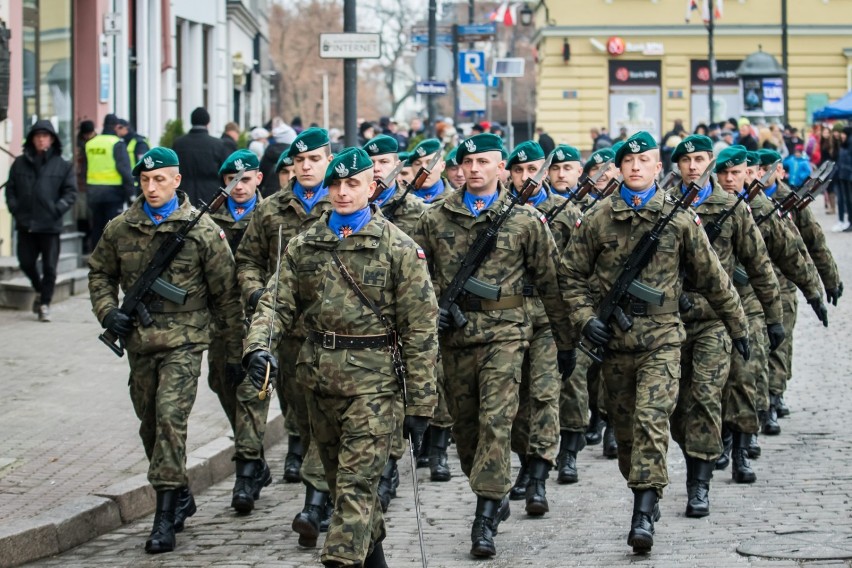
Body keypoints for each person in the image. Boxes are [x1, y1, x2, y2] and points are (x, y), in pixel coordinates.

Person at [243, 147, 437, 568]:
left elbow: (421, 329)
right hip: (319, 383)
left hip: (375, 387)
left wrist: (421, 403)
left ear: (372, 188)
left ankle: (341, 559)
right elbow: (275, 303)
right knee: (342, 485)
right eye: (336, 185)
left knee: (354, 489)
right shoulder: (305, 244)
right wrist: (259, 346)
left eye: (353, 184)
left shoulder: (399, 249)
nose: (343, 193)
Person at [561, 131, 748, 553]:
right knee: (626, 432)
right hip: (615, 345)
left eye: (645, 161)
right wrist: (584, 318)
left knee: (651, 418)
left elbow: (715, 280)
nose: (637, 167)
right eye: (629, 162)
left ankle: (643, 513)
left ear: (657, 167)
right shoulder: (598, 217)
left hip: (663, 339)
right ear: (619, 168)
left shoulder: (679, 220)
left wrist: (739, 327)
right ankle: (643, 490)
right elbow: (568, 276)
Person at [414, 133, 574, 558]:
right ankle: (492, 487)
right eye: (469, 162)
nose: (476, 168)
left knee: (496, 421)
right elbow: (415, 279)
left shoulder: (523, 220)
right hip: (455, 338)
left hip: (507, 335)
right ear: (460, 169)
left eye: (485, 161)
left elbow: (552, 284)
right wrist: (434, 309)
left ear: (500, 168)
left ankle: (484, 517)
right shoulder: (434, 219)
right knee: (466, 431)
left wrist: (565, 340)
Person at [88, 147, 243, 553]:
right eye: (145, 180)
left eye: (160, 180)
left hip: (187, 340)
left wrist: (233, 353)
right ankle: (181, 494)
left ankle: (164, 515)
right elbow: (100, 272)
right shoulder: (121, 228)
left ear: (177, 181)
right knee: (149, 422)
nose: (151, 187)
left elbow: (226, 295)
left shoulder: (202, 230)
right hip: (141, 339)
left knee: (171, 419)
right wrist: (108, 313)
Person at [667, 137, 781, 515]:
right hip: (669, 322)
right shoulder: (662, 208)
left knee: (706, 395)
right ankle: (698, 455)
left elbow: (760, 264)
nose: (693, 166)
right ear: (677, 166)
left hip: (718, 318)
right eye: (686, 160)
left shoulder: (732, 207)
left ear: (710, 163)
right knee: (678, 410)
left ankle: (699, 485)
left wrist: (774, 318)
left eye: (700, 159)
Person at [235, 127, 335, 545]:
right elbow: (247, 260)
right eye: (300, 161)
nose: (306, 167)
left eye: (314, 159)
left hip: (333, 337)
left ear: (328, 160)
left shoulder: (343, 202)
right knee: (301, 419)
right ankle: (322, 490)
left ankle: (315, 502)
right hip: (287, 335)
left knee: (324, 418)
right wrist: (257, 292)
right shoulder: (272, 211)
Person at [716, 147, 823, 463]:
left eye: (743, 172)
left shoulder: (763, 209)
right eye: (728, 173)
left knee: (750, 371)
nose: (735, 179)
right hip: (714, 306)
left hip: (755, 302)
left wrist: (817, 290)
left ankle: (747, 435)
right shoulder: (705, 209)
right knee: (718, 379)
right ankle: (722, 435)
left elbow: (796, 253)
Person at [504, 141, 581, 511]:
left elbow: (578, 273)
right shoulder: (499, 213)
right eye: (518, 170)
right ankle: (524, 462)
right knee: (516, 401)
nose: (525, 177)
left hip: (551, 315)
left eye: (532, 169)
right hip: (510, 314)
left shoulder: (565, 215)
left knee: (545, 394)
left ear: (545, 171)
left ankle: (539, 475)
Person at [204, 149, 275, 514]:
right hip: (221, 322)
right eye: (232, 181)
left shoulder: (271, 215)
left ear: (258, 180)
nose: (238, 187)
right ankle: (256, 457)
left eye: (245, 180)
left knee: (251, 390)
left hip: (257, 317)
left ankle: (246, 472)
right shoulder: (206, 220)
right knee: (222, 382)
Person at [758, 149, 841, 422]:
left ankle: (774, 395)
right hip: (752, 287)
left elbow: (813, 243)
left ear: (779, 171)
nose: (761, 174)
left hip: (783, 282)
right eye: (757, 168)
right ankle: (759, 400)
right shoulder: (743, 202)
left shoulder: (790, 201)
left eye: (767, 168)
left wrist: (829, 281)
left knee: (780, 342)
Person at [5, 120, 77, 322]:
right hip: (26, 223)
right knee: (26, 262)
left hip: (50, 225)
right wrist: (14, 208)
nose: (41, 139)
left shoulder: (62, 165)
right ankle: (39, 289)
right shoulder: (20, 162)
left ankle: (45, 303)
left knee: (50, 268)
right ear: (32, 139)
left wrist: (58, 209)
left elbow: (71, 192)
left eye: (45, 136)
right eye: (37, 136)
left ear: (52, 139)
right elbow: (11, 189)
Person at [83, 113, 134, 248]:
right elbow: (124, 170)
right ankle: (111, 259)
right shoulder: (117, 144)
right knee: (113, 228)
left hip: (93, 192)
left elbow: (84, 168)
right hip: (113, 193)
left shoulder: (91, 143)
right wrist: (131, 194)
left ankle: (95, 258)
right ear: (117, 127)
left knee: (96, 227)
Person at [172, 107, 230, 206]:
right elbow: (226, 172)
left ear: (191, 121)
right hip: (211, 196)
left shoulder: (178, 144)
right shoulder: (218, 144)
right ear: (208, 122)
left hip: (184, 194)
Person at [408, 138, 447, 204]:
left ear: (442, 166)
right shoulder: (402, 199)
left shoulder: (456, 199)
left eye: (430, 163)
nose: (424, 169)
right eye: (418, 164)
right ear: (412, 168)